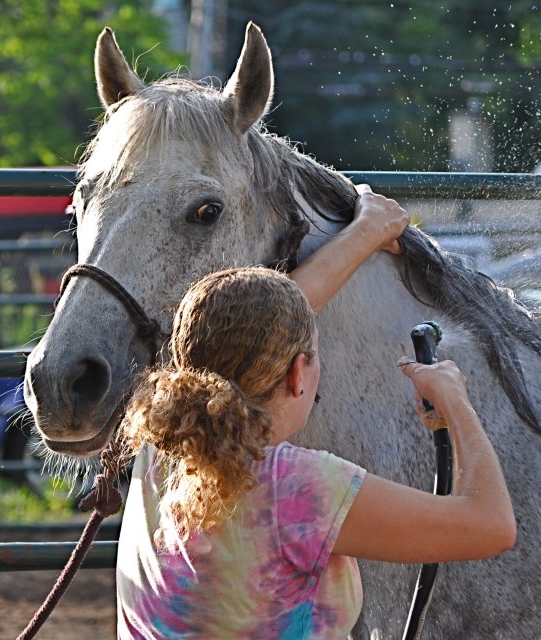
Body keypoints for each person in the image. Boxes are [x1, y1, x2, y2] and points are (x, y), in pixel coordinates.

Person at [116, 185, 515, 639]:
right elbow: (490, 525)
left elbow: (258, 330)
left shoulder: (162, 448)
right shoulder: (298, 488)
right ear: (298, 374)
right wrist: (456, 402)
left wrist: (365, 232)